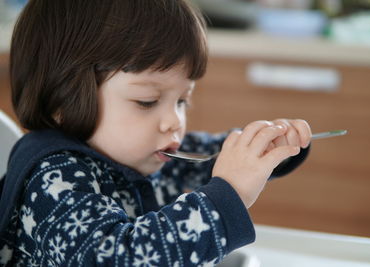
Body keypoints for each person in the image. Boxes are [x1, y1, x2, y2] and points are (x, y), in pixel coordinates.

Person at [0, 0, 312, 266]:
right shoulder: (53, 179)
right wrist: (231, 192)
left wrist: (263, 148)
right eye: (147, 101)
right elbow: (121, 257)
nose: (174, 121)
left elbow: (208, 158)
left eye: (182, 101)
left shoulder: (147, 151)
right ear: (63, 99)